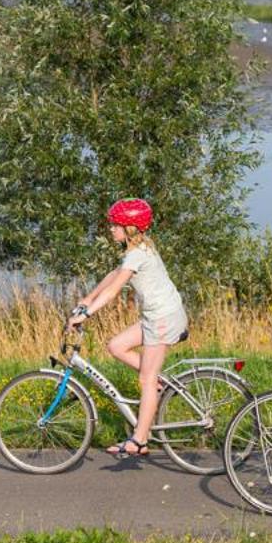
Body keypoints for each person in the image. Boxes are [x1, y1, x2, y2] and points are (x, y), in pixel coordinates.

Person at [68, 197, 188, 459]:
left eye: (115, 224)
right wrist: (88, 298)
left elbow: (113, 292)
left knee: (146, 379)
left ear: (130, 227)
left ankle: (140, 440)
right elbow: (115, 276)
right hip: (156, 316)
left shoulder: (137, 252)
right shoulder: (139, 248)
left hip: (163, 319)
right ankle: (157, 384)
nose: (111, 228)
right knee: (116, 345)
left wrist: (87, 313)